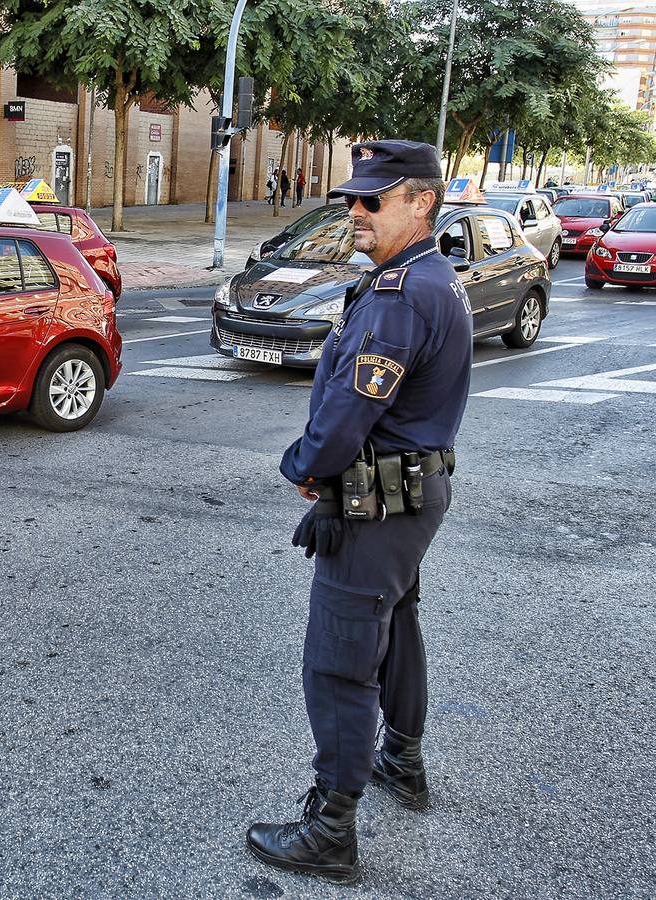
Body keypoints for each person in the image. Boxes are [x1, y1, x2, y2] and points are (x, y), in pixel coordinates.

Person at [246, 140, 472, 885]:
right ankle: (400, 760)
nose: (355, 210)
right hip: (403, 492)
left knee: (339, 660)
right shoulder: (424, 276)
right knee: (393, 622)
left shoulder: (401, 293)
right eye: (351, 198)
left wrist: (309, 470)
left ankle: (329, 828)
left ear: (420, 203)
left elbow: (350, 409)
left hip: (381, 498)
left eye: (372, 199)